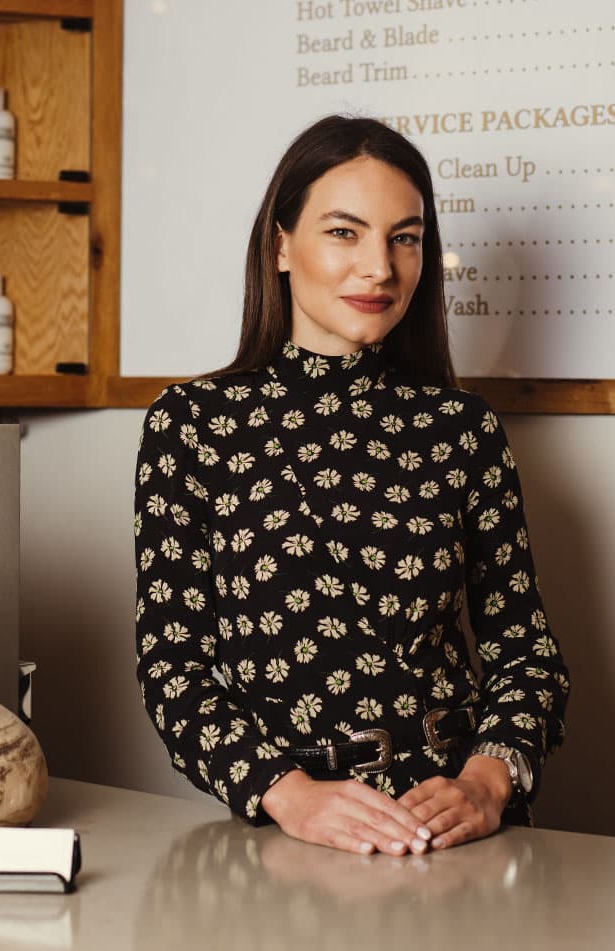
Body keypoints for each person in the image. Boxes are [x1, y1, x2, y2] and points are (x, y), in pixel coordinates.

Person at [134, 115, 569, 857]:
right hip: (290, 837)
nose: (380, 268)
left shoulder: (461, 429)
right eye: (345, 232)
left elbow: (526, 651)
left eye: (405, 237)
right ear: (280, 245)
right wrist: (291, 797)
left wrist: (489, 781)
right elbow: (174, 669)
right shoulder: (193, 424)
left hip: (453, 832)